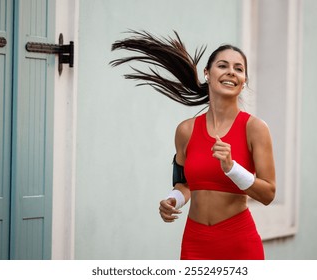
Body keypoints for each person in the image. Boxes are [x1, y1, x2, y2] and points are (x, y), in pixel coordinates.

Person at [110, 30, 276, 260]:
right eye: (223, 65)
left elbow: (268, 194)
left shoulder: (255, 128)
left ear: (244, 80)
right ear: (207, 73)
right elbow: (184, 184)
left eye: (239, 69)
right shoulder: (185, 130)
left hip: (238, 242)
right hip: (195, 242)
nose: (231, 72)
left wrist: (232, 168)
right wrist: (173, 200)